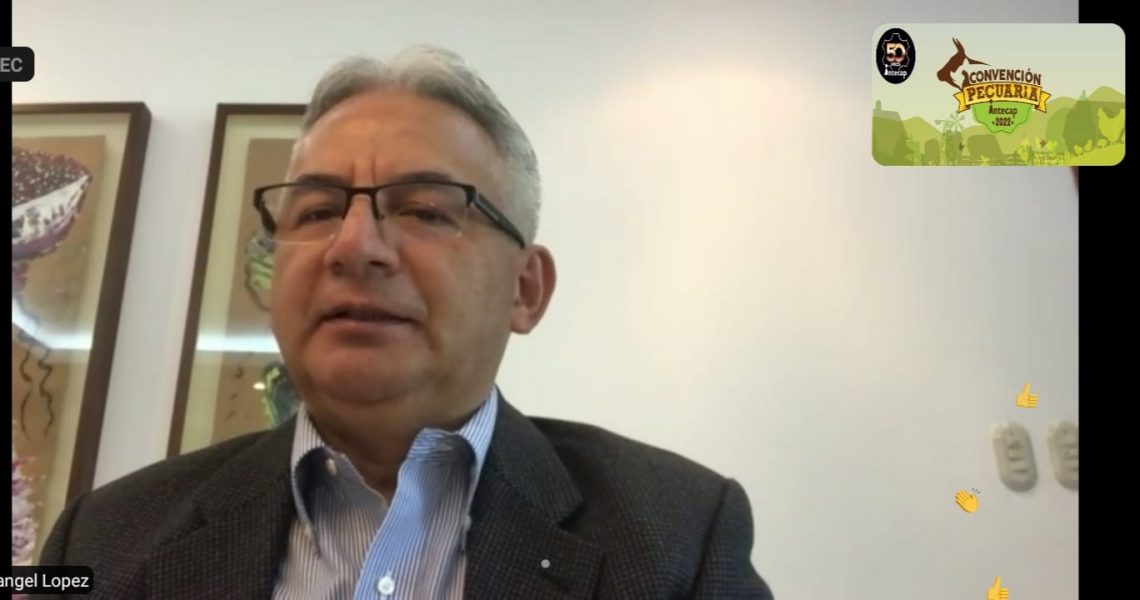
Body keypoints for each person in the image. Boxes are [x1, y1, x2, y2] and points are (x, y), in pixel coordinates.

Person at [41, 45, 775, 599]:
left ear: (525, 290)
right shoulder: (107, 540)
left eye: (424, 210)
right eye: (317, 211)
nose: (353, 246)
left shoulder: (677, 537)